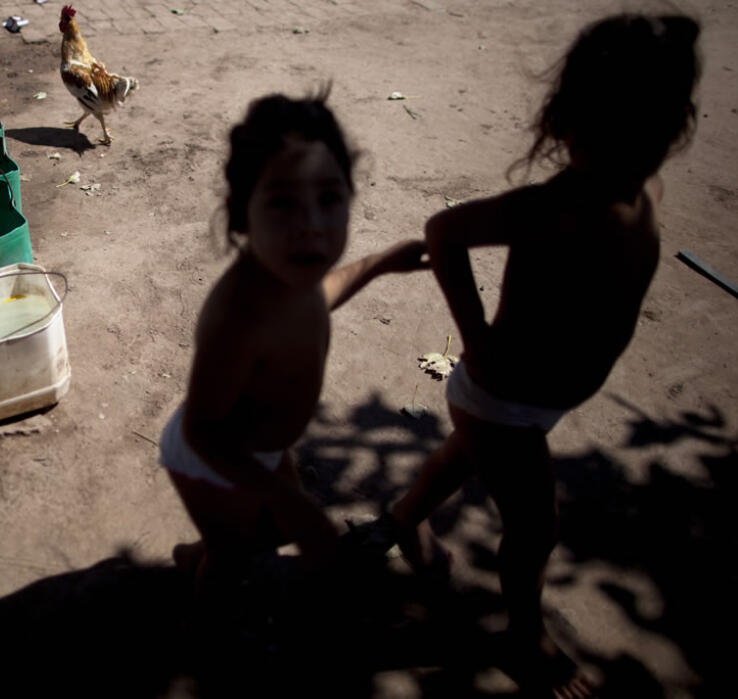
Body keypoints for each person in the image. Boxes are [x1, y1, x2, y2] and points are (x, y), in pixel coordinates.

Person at [378, 14, 700, 697]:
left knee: (458, 458)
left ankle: (401, 518)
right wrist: (475, 337)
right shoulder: (555, 205)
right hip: (502, 399)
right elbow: (444, 230)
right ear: (570, 126)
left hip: (529, 402)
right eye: (613, 134)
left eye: (649, 133)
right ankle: (526, 636)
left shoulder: (643, 193)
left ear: (672, 129)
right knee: (534, 526)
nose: (631, 154)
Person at [161, 89, 427, 592]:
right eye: (283, 202)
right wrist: (291, 503)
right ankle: (201, 629)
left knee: (277, 528)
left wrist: (379, 263)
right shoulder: (240, 315)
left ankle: (197, 551)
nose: (310, 227)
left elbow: (323, 295)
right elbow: (202, 431)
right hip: (211, 460)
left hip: (261, 448)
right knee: (235, 556)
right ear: (241, 216)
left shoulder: (292, 276)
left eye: (329, 198)